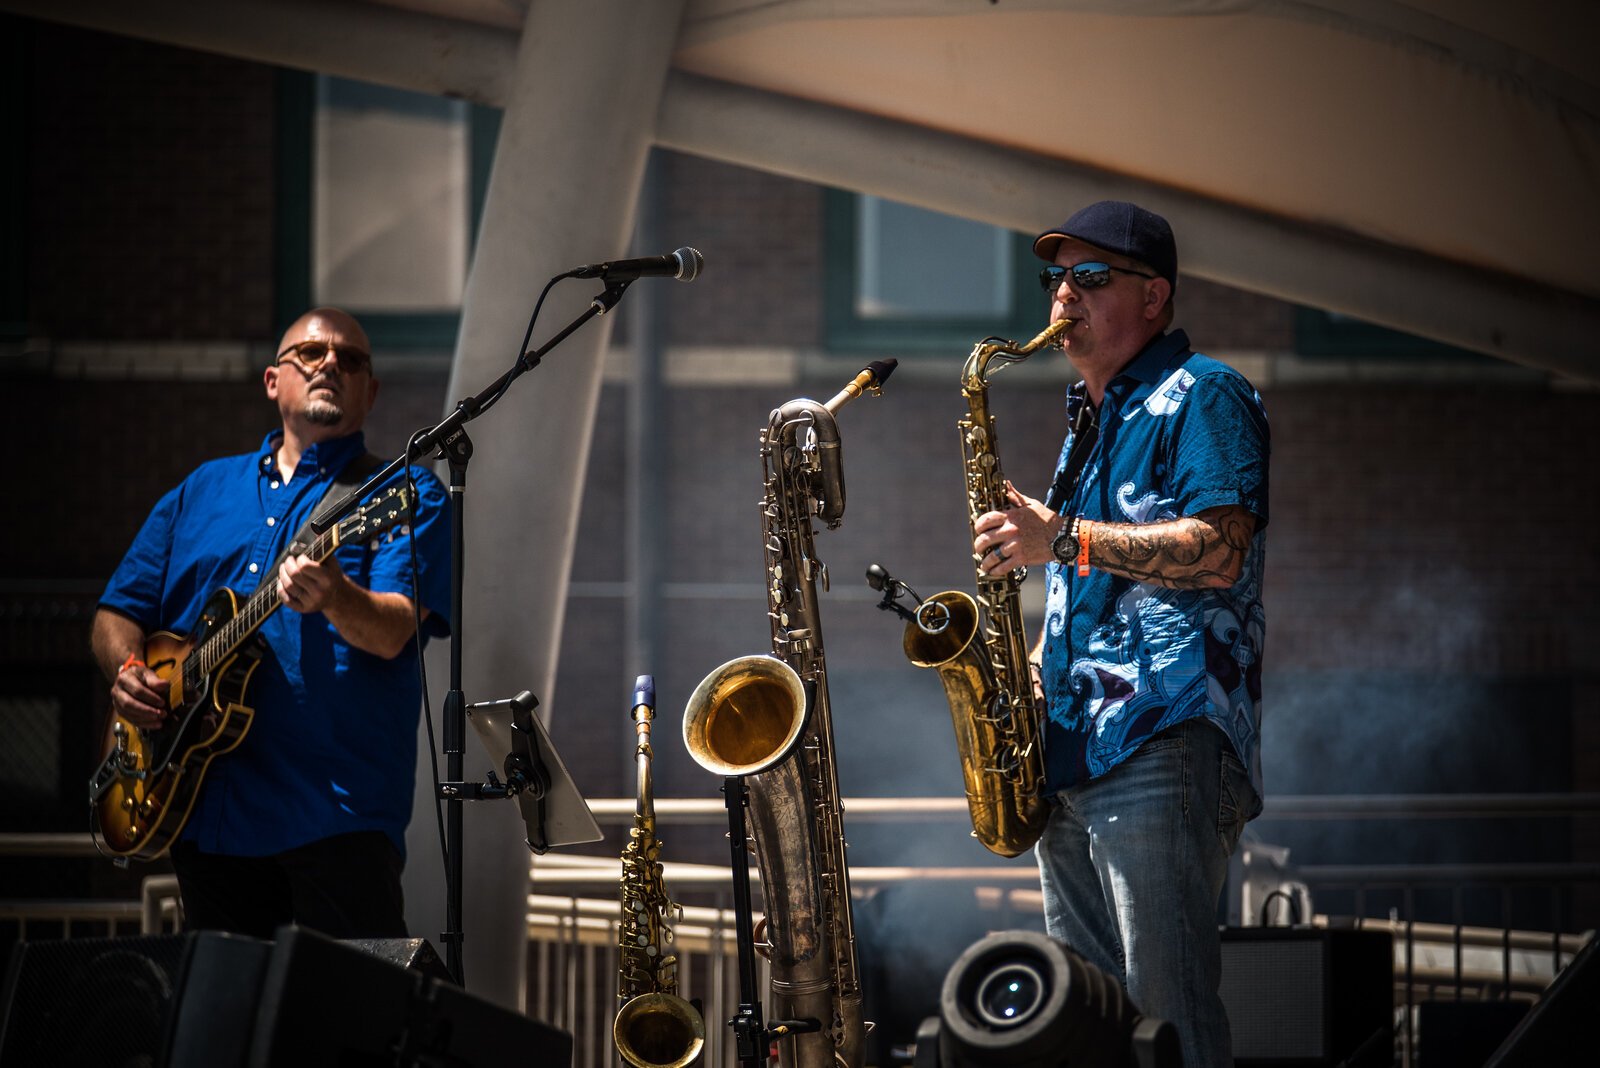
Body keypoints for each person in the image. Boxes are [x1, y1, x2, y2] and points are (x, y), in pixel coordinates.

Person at [972, 201, 1269, 1066]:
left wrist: (1060, 535)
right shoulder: (1089, 423)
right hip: (1072, 756)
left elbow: (1217, 552)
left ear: (1154, 296)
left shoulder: (1204, 393)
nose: (1064, 295)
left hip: (1161, 744)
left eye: (1090, 278)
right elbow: (1081, 591)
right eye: (1056, 278)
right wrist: (1024, 679)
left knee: (1165, 1018)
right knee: (1090, 1027)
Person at [91, 307, 452, 941]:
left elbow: (394, 630)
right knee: (230, 1031)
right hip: (204, 814)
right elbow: (115, 614)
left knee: (343, 1030)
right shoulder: (200, 491)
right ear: (272, 381)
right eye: (311, 354)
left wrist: (336, 596)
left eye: (351, 360)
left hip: (333, 819)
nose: (331, 365)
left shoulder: (404, 492)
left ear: (371, 391)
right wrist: (129, 670)